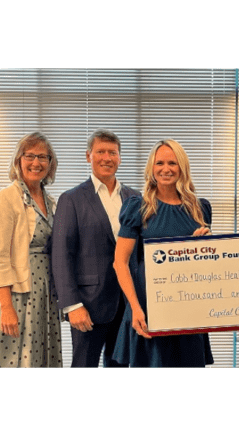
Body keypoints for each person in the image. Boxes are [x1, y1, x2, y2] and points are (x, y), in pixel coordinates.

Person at [112, 139, 214, 367]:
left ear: (182, 168)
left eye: (172, 163)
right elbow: (120, 263)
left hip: (189, 309)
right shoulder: (137, 208)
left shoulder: (200, 208)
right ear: (151, 167)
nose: (165, 169)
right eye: (159, 163)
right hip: (148, 310)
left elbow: (207, 266)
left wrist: (204, 248)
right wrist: (136, 309)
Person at [51, 129, 140, 367]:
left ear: (120, 158)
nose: (107, 158)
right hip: (88, 305)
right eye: (100, 152)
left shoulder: (136, 198)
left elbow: (144, 250)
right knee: (83, 367)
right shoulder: (71, 199)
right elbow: (61, 256)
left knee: (121, 367)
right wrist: (72, 305)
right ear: (88, 156)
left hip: (128, 304)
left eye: (112, 152)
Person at [0, 132, 62, 367]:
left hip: (44, 293)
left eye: (43, 157)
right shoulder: (5, 199)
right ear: (18, 160)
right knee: (11, 361)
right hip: (14, 295)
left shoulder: (52, 202)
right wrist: (6, 307)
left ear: (50, 163)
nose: (36, 163)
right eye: (30, 156)